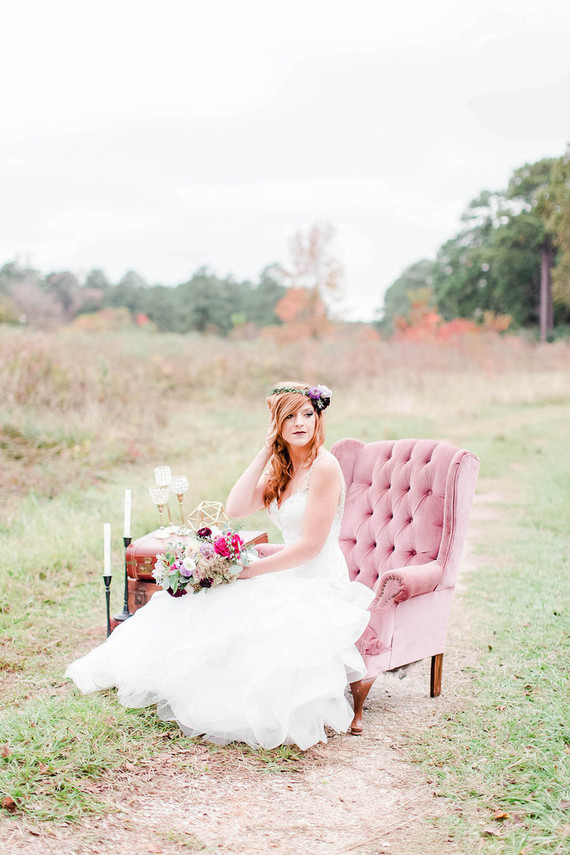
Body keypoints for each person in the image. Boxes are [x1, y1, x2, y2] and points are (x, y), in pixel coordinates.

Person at [65, 383, 373, 750]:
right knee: (207, 599)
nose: (300, 423)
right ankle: (172, 677)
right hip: (283, 565)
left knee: (247, 605)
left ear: (318, 416)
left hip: (316, 577)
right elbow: (237, 508)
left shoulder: (325, 467)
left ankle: (235, 701)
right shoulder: (284, 465)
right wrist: (265, 452)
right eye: (288, 416)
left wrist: (250, 570)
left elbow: (310, 547)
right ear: (275, 423)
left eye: (307, 414)